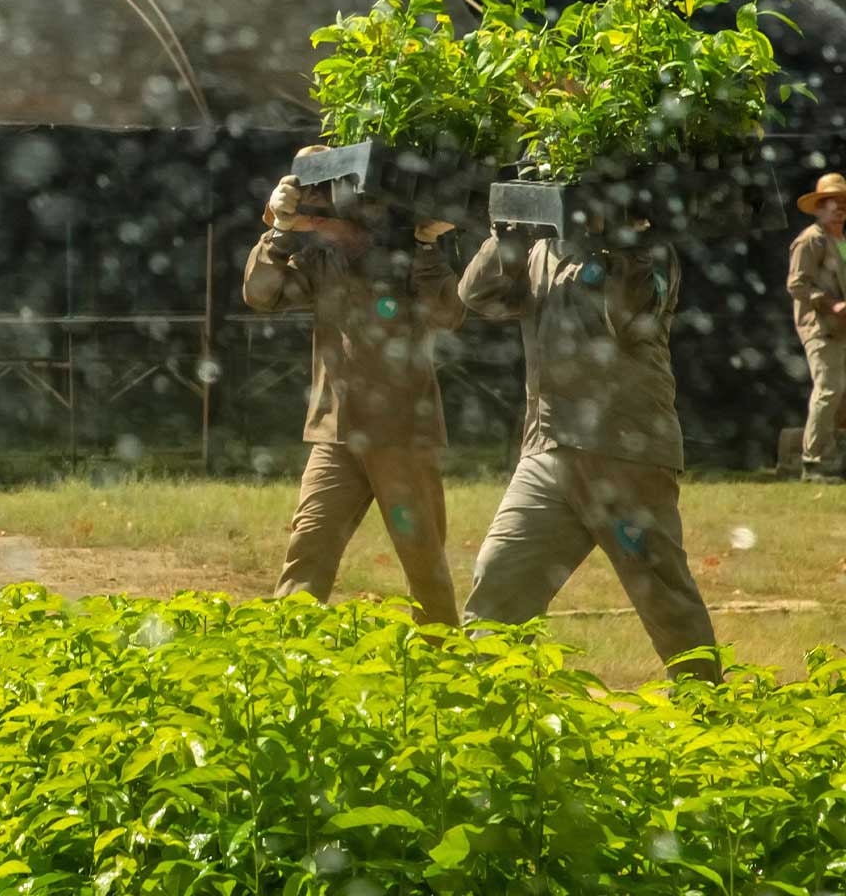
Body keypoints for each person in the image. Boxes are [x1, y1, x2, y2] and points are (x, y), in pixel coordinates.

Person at [457, 219, 718, 681]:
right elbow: (477, 295)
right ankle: (487, 706)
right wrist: (509, 233)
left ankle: (708, 708)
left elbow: (627, 322)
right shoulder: (541, 246)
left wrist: (620, 241)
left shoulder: (653, 250)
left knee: (664, 600)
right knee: (499, 582)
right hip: (547, 448)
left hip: (625, 450)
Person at [242, 146, 464, 625]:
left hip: (401, 435)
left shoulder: (406, 254)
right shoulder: (322, 260)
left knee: (423, 564)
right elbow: (261, 294)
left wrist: (428, 247)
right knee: (307, 552)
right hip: (336, 432)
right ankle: (289, 656)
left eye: (321, 200)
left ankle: (443, 661)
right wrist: (278, 233)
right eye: (308, 200)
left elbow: (448, 313)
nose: (313, 211)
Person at [787, 172, 846, 484]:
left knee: (839, 395)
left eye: (843, 202)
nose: (839, 208)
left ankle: (832, 461)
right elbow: (796, 285)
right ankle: (813, 464)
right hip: (820, 328)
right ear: (819, 207)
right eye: (831, 202)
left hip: (841, 330)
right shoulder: (811, 240)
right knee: (829, 390)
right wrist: (831, 304)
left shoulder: (841, 241)